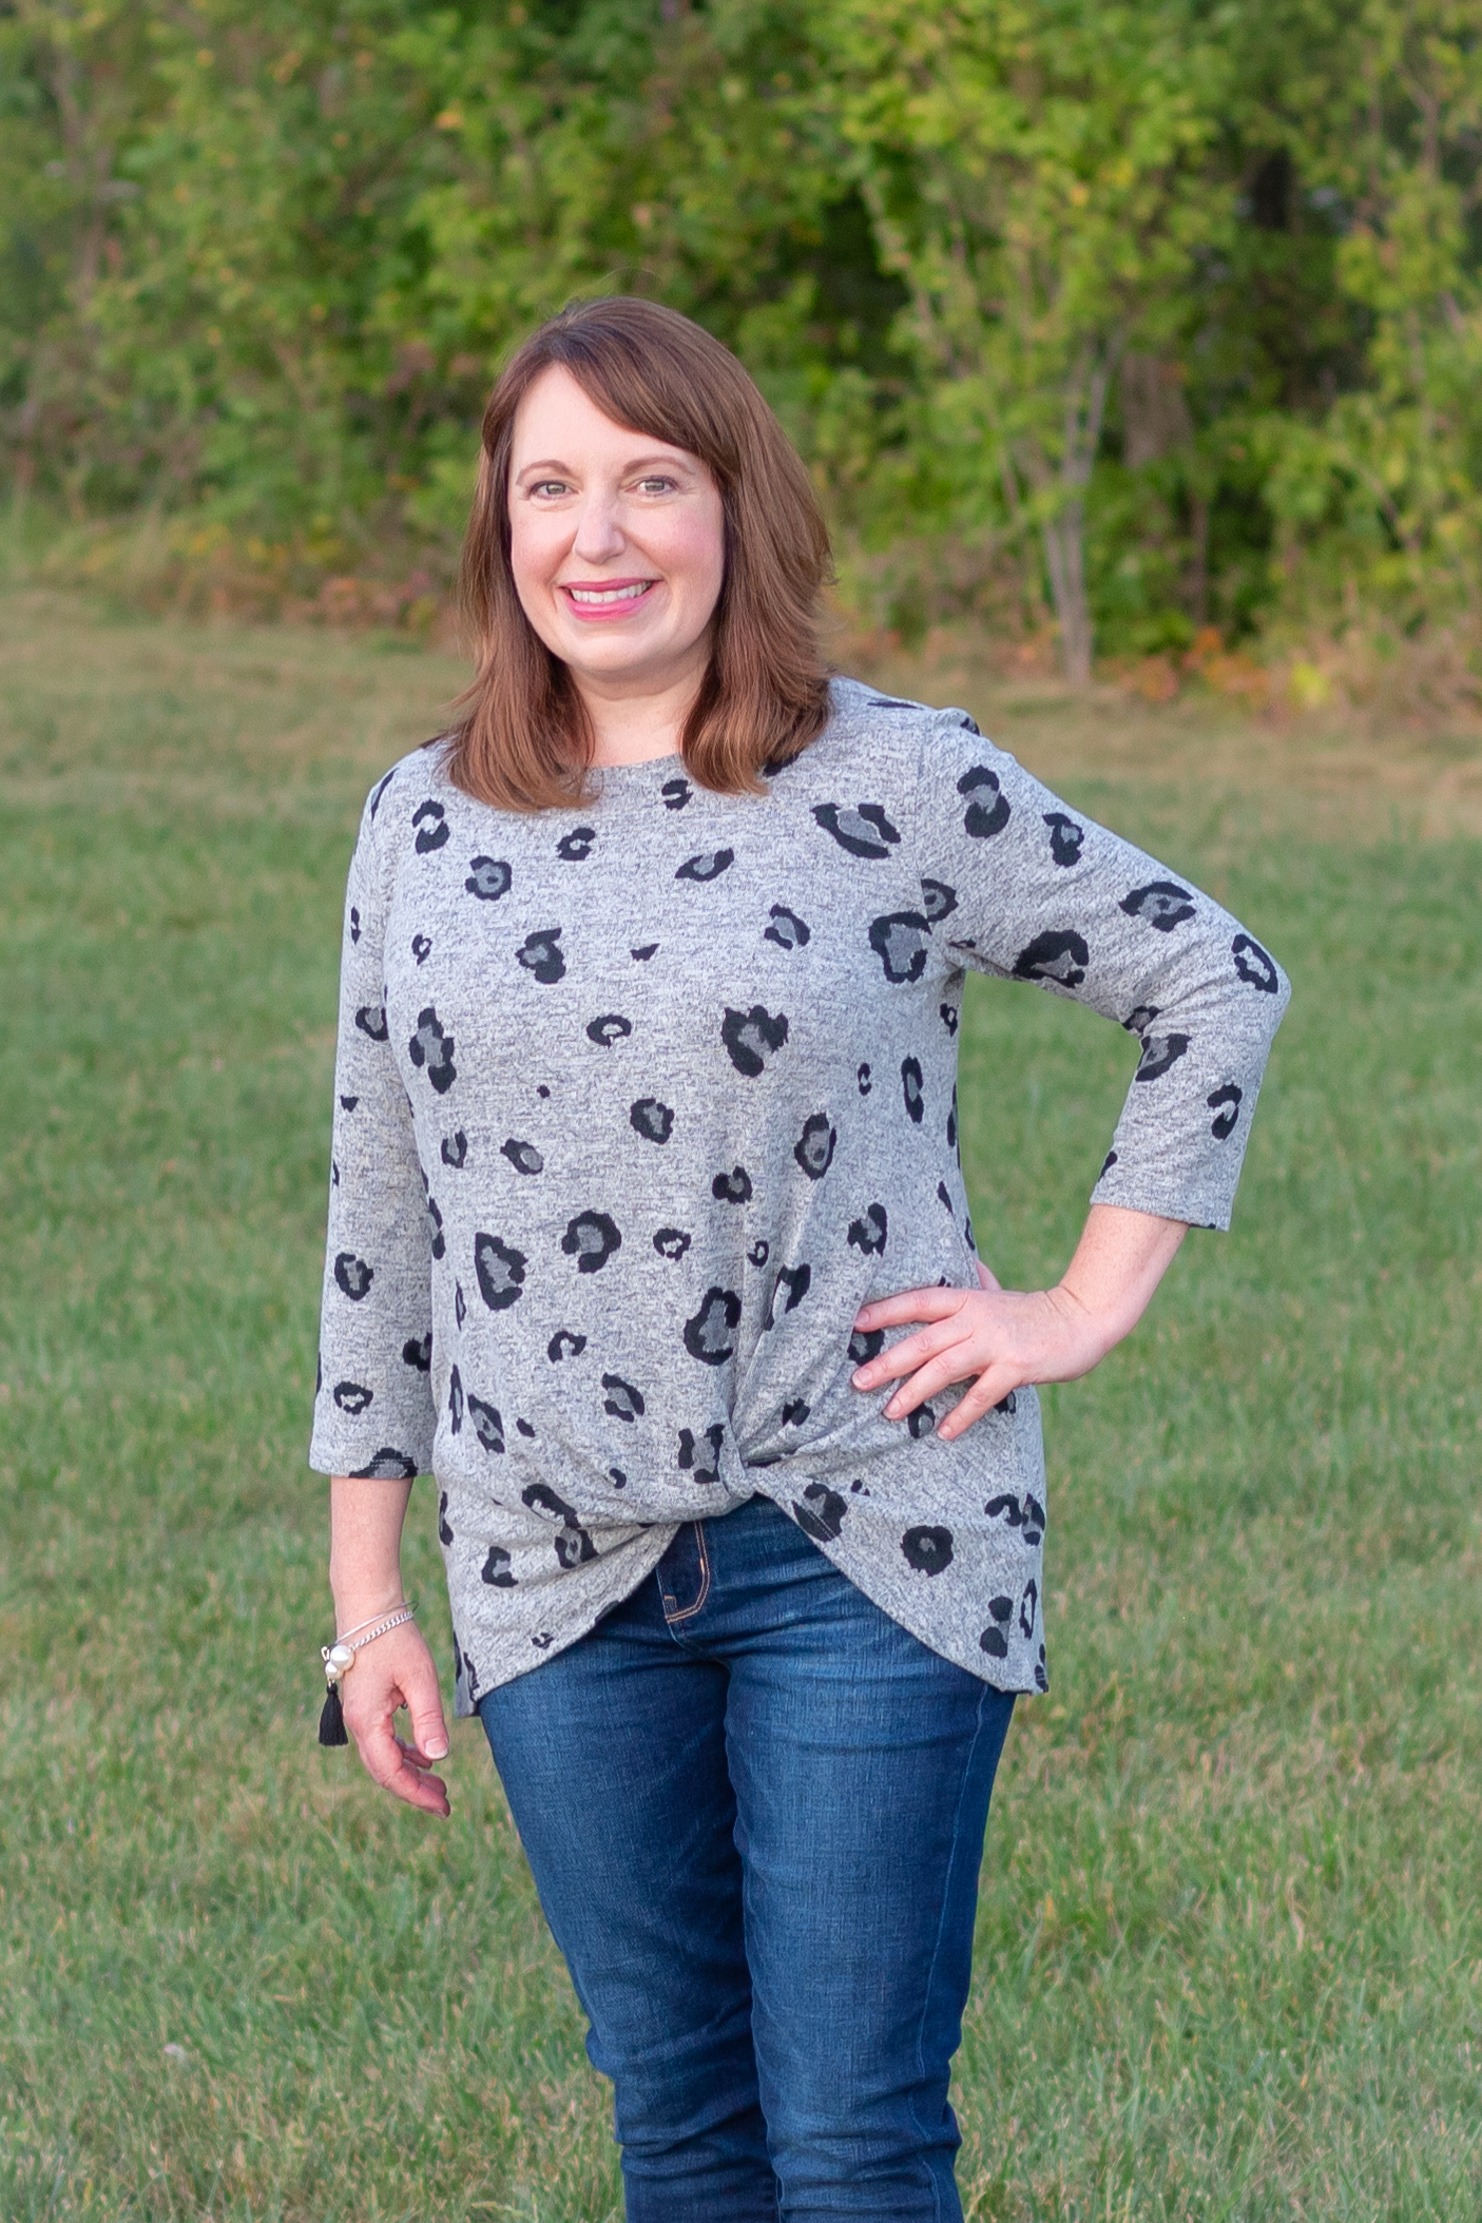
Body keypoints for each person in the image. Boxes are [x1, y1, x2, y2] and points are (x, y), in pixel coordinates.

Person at [310, 295, 1289, 2220]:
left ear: (735, 508)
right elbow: (380, 1204)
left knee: (847, 2144)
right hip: (547, 1575)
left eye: (651, 482)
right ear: (501, 533)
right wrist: (368, 1598)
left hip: (866, 1541)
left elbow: (1211, 978)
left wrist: (1080, 1304)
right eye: (552, 488)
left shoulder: (894, 783)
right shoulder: (419, 823)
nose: (600, 537)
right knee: (675, 2130)